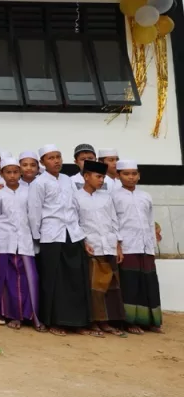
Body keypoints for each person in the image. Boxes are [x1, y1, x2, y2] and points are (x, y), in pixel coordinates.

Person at [32, 144, 91, 337]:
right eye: (51, 158)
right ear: (42, 162)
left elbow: (76, 206)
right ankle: (55, 321)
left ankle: (78, 321)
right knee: (54, 281)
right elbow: (34, 213)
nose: (56, 161)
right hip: (51, 236)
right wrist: (37, 238)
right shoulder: (38, 183)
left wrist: (82, 233)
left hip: (73, 234)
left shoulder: (67, 180)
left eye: (58, 157)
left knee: (76, 279)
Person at [76, 160, 127, 338]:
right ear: (86, 176)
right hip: (92, 247)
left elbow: (114, 221)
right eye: (98, 177)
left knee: (111, 287)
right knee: (94, 287)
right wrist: (83, 242)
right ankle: (94, 322)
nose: (101, 180)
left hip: (110, 246)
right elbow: (76, 223)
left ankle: (108, 322)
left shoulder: (106, 197)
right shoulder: (76, 197)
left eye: (103, 177)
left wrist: (118, 245)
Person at [0, 157, 43, 331]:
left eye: (15, 172)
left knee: (31, 278)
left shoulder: (30, 191)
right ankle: (12, 315)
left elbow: (34, 214)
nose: (12, 176)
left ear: (20, 172)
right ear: (2, 174)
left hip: (26, 240)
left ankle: (32, 315)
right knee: (9, 280)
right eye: (8, 172)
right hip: (5, 241)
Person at [112, 160, 162, 334]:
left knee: (149, 283)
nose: (131, 177)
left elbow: (150, 222)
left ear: (139, 175)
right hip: (127, 246)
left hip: (146, 247)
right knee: (130, 285)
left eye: (134, 173)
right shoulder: (114, 197)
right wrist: (118, 245)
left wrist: (152, 245)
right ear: (118, 176)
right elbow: (113, 223)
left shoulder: (145, 196)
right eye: (126, 174)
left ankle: (151, 321)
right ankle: (129, 322)